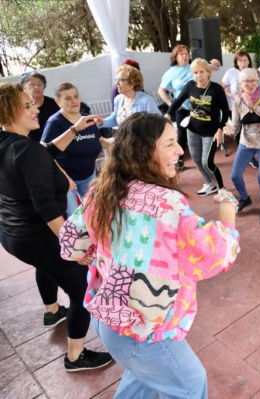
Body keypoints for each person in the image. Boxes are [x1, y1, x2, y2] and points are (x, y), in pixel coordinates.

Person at [59, 112, 240, 397]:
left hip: (108, 317)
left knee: (142, 380)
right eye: (169, 144)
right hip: (142, 330)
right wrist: (228, 207)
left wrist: (110, 254)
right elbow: (217, 253)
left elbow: (72, 245)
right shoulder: (167, 204)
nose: (180, 150)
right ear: (143, 150)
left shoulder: (102, 188)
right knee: (191, 386)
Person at [0, 83, 113, 372]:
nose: (36, 108)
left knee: (46, 265)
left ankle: (52, 311)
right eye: (27, 106)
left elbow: (47, 151)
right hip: (36, 235)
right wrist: (74, 247)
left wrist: (75, 128)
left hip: (12, 236)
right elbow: (46, 207)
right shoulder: (27, 151)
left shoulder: (9, 143)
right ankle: (76, 356)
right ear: (8, 111)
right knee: (80, 287)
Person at [41, 83, 107, 215]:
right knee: (73, 218)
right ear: (58, 102)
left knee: (96, 213)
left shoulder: (86, 119)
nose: (74, 101)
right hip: (66, 180)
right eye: (68, 98)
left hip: (89, 175)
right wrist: (63, 177)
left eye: (76, 96)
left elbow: (100, 141)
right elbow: (43, 153)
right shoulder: (55, 123)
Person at [166, 58, 229, 196]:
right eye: (195, 72)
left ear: (208, 73)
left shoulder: (216, 89)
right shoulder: (190, 86)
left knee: (207, 162)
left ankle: (222, 188)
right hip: (193, 130)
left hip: (210, 132)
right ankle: (209, 183)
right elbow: (177, 101)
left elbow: (225, 111)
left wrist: (220, 130)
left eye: (201, 72)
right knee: (196, 159)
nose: (198, 75)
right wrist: (168, 115)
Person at [224, 68, 260, 225]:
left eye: (253, 80)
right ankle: (245, 198)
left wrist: (252, 105)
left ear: (257, 81)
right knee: (235, 176)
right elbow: (237, 126)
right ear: (240, 83)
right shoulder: (237, 103)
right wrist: (230, 130)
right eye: (246, 81)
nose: (250, 84)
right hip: (246, 143)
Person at [158, 45, 193, 171]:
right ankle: (180, 161)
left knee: (199, 133)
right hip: (182, 108)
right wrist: (170, 104)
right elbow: (161, 91)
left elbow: (212, 67)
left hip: (198, 107)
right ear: (175, 57)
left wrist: (214, 63)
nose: (185, 56)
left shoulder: (194, 67)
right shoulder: (171, 72)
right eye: (181, 54)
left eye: (186, 53)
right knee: (182, 136)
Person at [20, 71, 60, 141]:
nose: (36, 87)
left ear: (44, 86)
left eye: (40, 84)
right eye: (32, 84)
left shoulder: (55, 104)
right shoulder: (20, 106)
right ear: (23, 87)